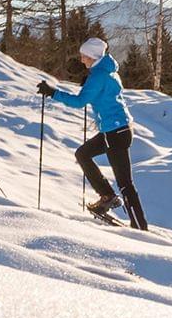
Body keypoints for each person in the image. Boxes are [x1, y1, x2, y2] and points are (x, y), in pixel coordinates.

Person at [39, 38, 145, 229]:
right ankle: (107, 197)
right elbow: (102, 94)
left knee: (124, 183)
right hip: (118, 129)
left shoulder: (98, 76)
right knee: (83, 154)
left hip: (115, 132)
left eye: (84, 56)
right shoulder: (106, 71)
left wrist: (53, 93)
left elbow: (79, 102)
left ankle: (139, 226)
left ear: (93, 56)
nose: (81, 60)